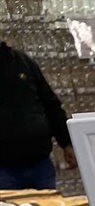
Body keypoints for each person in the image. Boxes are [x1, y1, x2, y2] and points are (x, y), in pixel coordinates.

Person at [0, 41, 75, 190]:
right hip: (3, 169)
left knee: (47, 204)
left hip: (40, 164)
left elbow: (51, 105)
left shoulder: (23, 62)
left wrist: (67, 143)